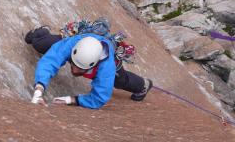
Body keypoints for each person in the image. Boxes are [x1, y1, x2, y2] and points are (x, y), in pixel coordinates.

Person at [25, 23, 153, 109]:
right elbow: (50, 61)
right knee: (41, 44)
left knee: (120, 81)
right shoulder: (71, 44)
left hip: (104, 52)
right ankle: (41, 32)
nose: (74, 71)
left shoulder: (106, 66)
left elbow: (100, 97)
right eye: (74, 65)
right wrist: (39, 89)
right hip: (82, 40)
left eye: (80, 69)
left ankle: (143, 85)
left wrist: (73, 100)